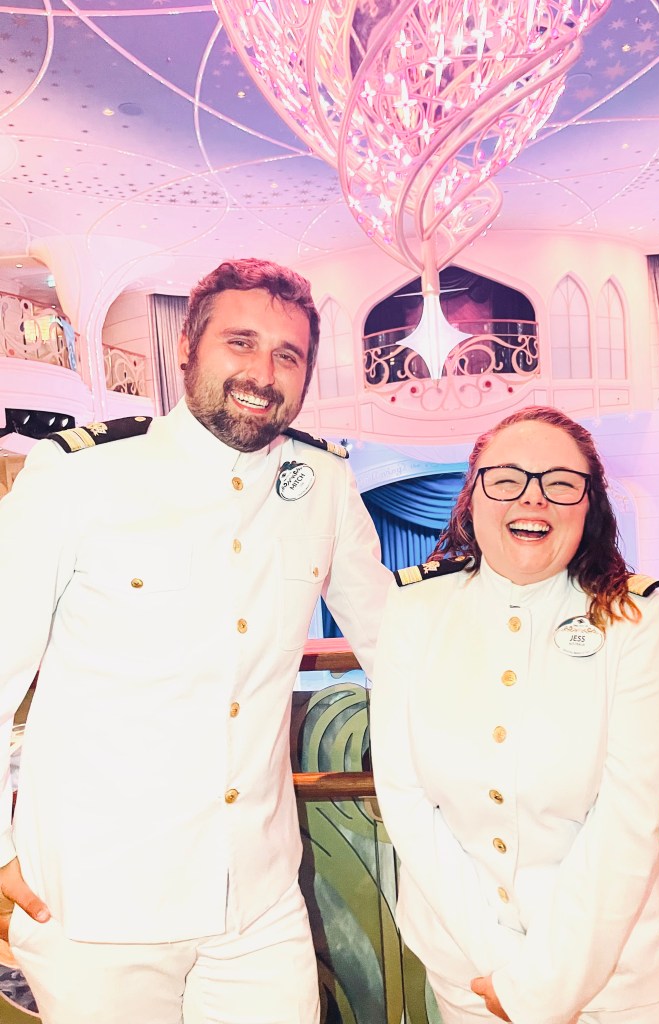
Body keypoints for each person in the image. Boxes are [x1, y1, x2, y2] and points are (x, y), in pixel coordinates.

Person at [0, 258, 392, 1024]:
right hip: (99, 901)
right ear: (188, 347)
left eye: (288, 355)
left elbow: (395, 646)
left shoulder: (323, 481)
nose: (263, 372)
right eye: (239, 343)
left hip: (260, 900)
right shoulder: (79, 475)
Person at [370, 406, 659, 1024]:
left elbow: (630, 814)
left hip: (617, 975)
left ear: (589, 504)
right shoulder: (415, 607)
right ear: (473, 493)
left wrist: (542, 988)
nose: (533, 498)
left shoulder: (634, 616)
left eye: (560, 482)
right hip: (469, 966)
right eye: (507, 477)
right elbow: (406, 799)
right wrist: (501, 970)